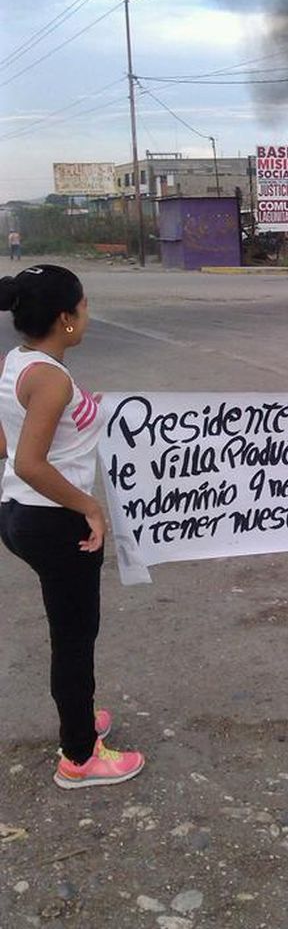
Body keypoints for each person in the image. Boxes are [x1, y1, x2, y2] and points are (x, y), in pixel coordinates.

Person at [0, 265, 145, 788]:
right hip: (54, 522)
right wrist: (90, 507)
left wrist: (82, 418)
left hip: (19, 514)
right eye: (83, 307)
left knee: (72, 633)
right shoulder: (51, 378)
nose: (87, 315)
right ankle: (80, 756)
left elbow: (7, 440)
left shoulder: (19, 362)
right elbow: (28, 462)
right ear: (65, 318)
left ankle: (79, 718)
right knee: (75, 639)